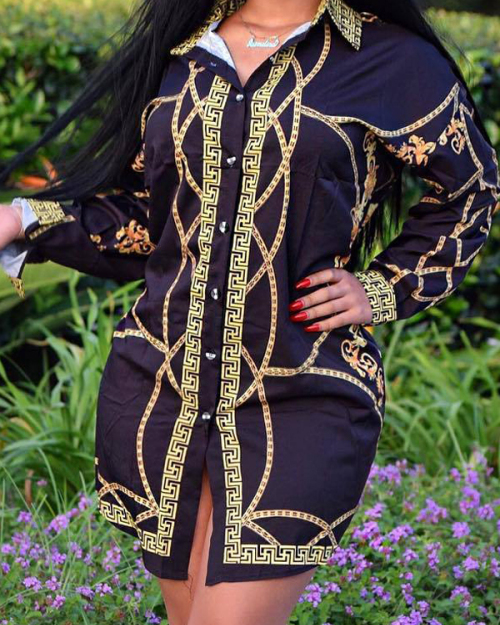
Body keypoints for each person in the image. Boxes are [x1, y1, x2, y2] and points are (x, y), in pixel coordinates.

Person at [1, 0, 499, 623]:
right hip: (162, 392)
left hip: (303, 390)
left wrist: (381, 287)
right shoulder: (180, 52)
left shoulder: (390, 61)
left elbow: (471, 190)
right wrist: (23, 218)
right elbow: (152, 222)